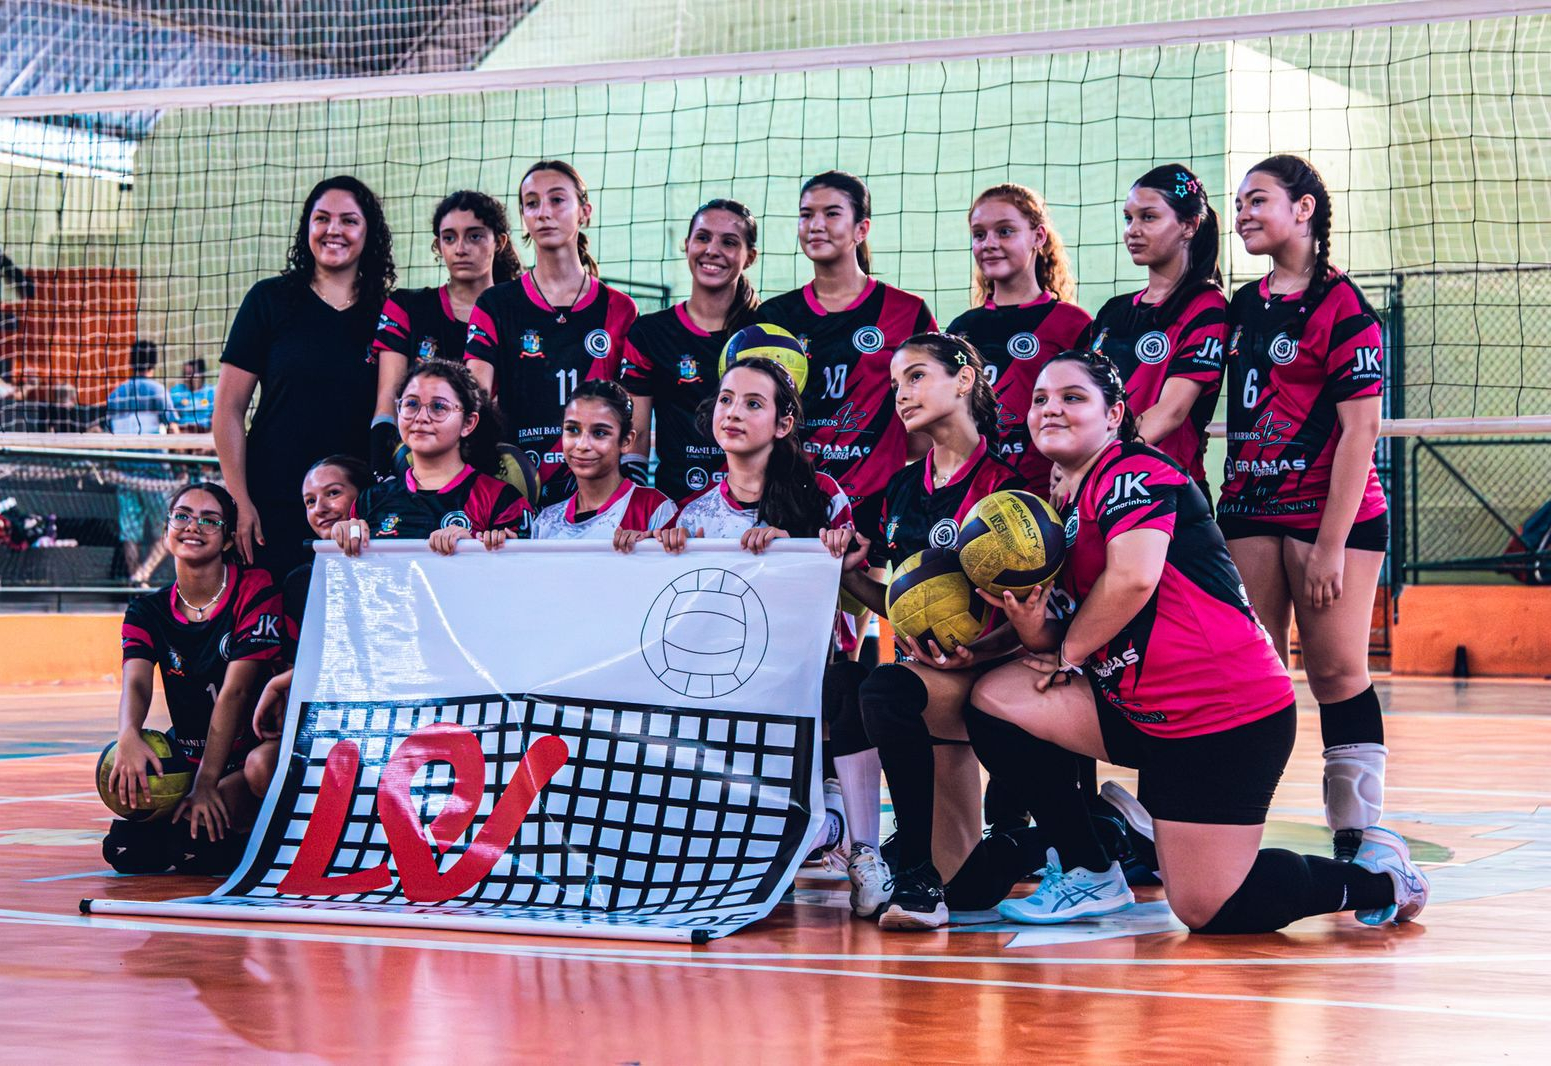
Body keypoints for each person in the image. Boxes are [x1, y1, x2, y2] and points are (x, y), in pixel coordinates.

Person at [965, 349, 1427, 932]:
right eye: (1040, 400)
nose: (1050, 409)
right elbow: (1076, 626)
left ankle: (1381, 877)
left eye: (1072, 397)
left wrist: (1064, 652)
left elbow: (1133, 578)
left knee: (1209, 908)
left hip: (1224, 719)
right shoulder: (1062, 505)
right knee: (994, 696)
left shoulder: (1136, 471)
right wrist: (1029, 631)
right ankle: (1090, 869)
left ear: (1114, 415)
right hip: (1139, 711)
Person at [1220, 155, 1392, 861]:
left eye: (1257, 200)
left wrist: (1328, 544)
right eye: (1236, 206)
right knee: (1249, 673)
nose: (1244, 216)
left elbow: (1361, 431)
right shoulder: (1238, 306)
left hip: (1329, 515)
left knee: (1334, 671)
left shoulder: (1344, 307)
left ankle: (1356, 832)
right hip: (1248, 505)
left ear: (1304, 209)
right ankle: (1226, 825)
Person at [834, 332, 1026, 929]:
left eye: (916, 376)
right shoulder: (901, 489)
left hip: (1004, 671)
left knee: (884, 688)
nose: (902, 394)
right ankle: (927, 868)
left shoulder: (1008, 483)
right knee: (970, 891)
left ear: (964, 379)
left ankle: (916, 875)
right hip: (941, 680)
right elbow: (905, 606)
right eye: (895, 385)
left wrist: (978, 650)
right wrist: (850, 574)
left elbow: (1040, 609)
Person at [215, 175, 393, 582]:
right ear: (306, 228)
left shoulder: (388, 312)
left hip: (357, 514)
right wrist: (241, 500)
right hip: (273, 502)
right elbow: (228, 408)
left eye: (349, 220)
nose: (334, 230)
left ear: (369, 233)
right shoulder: (270, 300)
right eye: (322, 218)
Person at [104, 483, 284, 874]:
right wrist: (129, 734)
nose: (193, 526)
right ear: (168, 527)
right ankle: (208, 829)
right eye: (182, 516)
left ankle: (253, 829)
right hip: (189, 754)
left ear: (226, 539)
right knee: (124, 851)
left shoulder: (254, 588)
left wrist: (206, 783)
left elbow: (234, 693)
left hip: (248, 754)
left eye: (209, 520)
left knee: (198, 850)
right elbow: (135, 682)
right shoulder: (146, 609)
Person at [759, 170, 936, 510]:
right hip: (788, 503)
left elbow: (929, 425)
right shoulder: (774, 317)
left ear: (861, 229)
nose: (816, 224)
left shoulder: (907, 312)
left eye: (832, 213)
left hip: (874, 506)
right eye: (806, 214)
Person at [466, 160, 638, 508]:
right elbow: (475, 402)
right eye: (532, 203)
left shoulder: (620, 308)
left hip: (597, 491)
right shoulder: (495, 304)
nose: (543, 212)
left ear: (584, 212)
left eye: (557, 200)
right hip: (517, 488)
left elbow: (633, 410)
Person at [1079, 164, 1227, 498]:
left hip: (1165, 488)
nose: (1132, 230)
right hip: (1102, 486)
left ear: (1189, 225)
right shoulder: (1113, 312)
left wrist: (1093, 463)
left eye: (1148, 217)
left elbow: (1170, 412)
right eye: (1128, 218)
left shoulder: (1206, 305)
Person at [946, 183, 1091, 497]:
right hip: (972, 500)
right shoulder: (960, 330)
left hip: (1048, 498)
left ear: (1038, 237)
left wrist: (1072, 471)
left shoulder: (1073, 324)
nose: (990, 244)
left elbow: (1093, 418)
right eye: (979, 234)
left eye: (1005, 231)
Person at [246, 454, 373, 799]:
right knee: (260, 766)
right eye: (310, 501)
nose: (320, 508)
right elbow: (298, 668)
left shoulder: (396, 566)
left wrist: (279, 683)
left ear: (365, 497)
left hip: (385, 717)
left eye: (333, 493)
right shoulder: (300, 581)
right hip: (327, 724)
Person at [370, 190, 521, 480]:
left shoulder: (519, 313)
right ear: (438, 245)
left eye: (475, 236)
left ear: (499, 242)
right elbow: (387, 401)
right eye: (449, 238)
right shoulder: (408, 307)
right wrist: (382, 472)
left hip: (498, 467)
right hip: (418, 469)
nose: (461, 248)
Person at [620, 199, 761, 500]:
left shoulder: (764, 332)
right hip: (676, 511)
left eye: (729, 242)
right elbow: (638, 434)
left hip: (753, 512)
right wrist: (635, 507)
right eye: (703, 237)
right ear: (686, 245)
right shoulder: (650, 333)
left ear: (750, 257)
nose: (712, 249)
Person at [337, 358, 533, 556]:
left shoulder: (502, 500)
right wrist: (342, 540)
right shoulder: (370, 500)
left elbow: (526, 575)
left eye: (438, 407)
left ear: (468, 423)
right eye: (411, 404)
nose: (421, 417)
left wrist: (472, 549)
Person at [529, 380, 675, 542]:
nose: (583, 445)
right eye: (573, 430)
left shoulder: (655, 508)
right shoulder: (546, 522)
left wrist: (644, 550)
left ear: (626, 441)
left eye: (599, 433)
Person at [105, 339, 175, 581]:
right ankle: (142, 575)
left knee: (130, 532)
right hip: (155, 471)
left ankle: (136, 578)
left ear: (130, 361)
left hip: (125, 471)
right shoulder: (158, 391)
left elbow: (109, 435)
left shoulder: (116, 395)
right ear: (153, 363)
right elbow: (174, 433)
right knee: (170, 528)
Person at [169, 358, 217, 433]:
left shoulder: (211, 392)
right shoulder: (175, 392)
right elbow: (170, 417)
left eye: (190, 373)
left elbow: (216, 416)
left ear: (201, 374)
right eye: (185, 373)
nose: (187, 377)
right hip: (182, 432)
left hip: (205, 432)